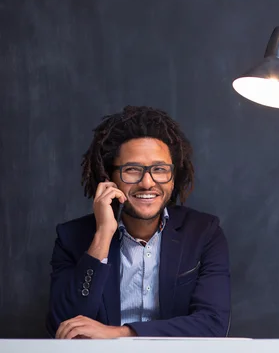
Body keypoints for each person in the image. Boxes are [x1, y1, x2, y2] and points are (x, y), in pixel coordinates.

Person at [45, 105, 231, 339]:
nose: (147, 183)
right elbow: (63, 328)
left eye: (160, 169)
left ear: (173, 177)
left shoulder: (204, 233)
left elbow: (213, 325)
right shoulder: (72, 238)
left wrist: (121, 333)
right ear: (109, 178)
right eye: (132, 169)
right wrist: (102, 236)